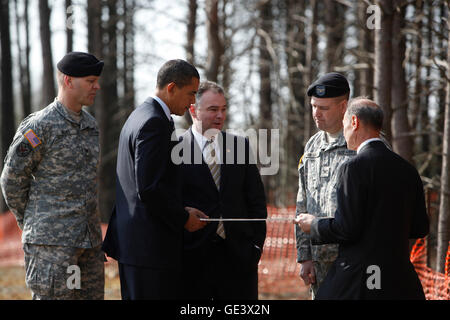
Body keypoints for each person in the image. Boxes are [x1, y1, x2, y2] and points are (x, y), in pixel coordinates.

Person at [296, 97, 429, 299]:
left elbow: (347, 229)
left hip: (359, 280)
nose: (345, 132)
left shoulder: (352, 167)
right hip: (400, 280)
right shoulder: (408, 170)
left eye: (344, 125)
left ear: (355, 123)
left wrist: (314, 225)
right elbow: (420, 227)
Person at [0, 52, 104, 300]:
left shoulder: (90, 126)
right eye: (90, 81)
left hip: (87, 242)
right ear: (69, 81)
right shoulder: (40, 126)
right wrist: (36, 225)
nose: (97, 86)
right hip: (52, 246)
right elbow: (12, 180)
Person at [101, 59, 208, 300]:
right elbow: (149, 187)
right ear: (171, 88)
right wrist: (183, 218)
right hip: (149, 248)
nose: (193, 102)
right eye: (190, 93)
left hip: (137, 245)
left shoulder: (139, 115)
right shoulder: (154, 122)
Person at [178, 81, 267, 299]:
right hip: (192, 262)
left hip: (239, 262)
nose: (220, 116)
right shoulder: (174, 148)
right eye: (213, 109)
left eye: (223, 109)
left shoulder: (240, 146)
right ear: (193, 110)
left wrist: (254, 249)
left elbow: (256, 202)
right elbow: (169, 201)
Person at [295, 72, 355, 298]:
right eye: (313, 106)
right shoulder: (313, 145)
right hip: (319, 267)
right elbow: (302, 203)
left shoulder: (362, 142)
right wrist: (305, 256)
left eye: (324, 108)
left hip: (352, 261)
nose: (316, 114)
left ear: (343, 106)